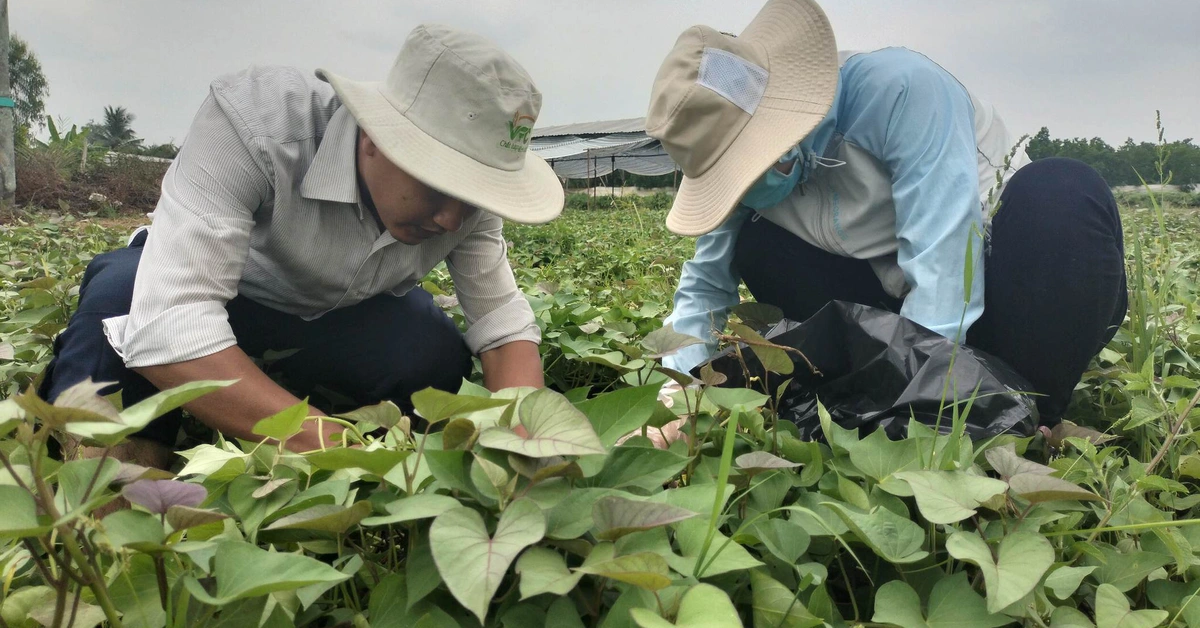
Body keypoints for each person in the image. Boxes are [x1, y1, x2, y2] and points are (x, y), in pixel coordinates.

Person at [39, 24, 563, 462]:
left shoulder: (464, 210)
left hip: (337, 315)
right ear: (375, 136)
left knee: (432, 353)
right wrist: (333, 445)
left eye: (473, 195)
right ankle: (115, 492)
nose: (452, 219)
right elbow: (171, 320)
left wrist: (526, 443)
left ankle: (260, 382)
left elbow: (501, 326)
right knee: (123, 307)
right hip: (232, 294)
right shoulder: (257, 124)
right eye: (439, 183)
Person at [645, 0, 1127, 424]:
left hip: (1009, 295)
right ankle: (864, 390)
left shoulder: (899, 91)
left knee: (1061, 191)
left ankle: (1034, 413)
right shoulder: (741, 174)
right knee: (756, 243)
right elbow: (705, 286)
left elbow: (945, 272)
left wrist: (918, 411)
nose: (745, 182)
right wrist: (678, 401)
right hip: (887, 304)